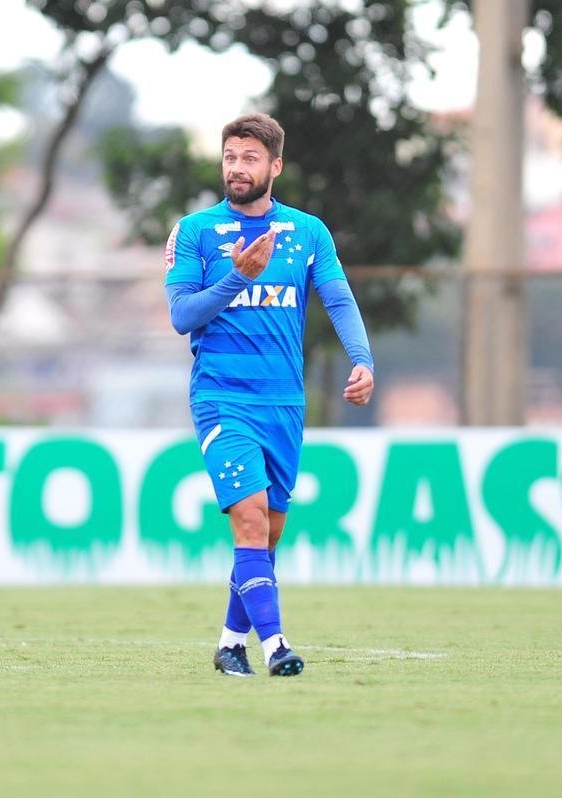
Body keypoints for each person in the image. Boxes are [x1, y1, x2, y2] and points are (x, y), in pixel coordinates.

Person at [164, 113, 375, 676]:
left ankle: (231, 644)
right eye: (230, 157)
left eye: (250, 158)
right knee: (251, 521)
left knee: (268, 533)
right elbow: (182, 315)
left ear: (275, 166)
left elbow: (338, 299)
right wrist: (238, 277)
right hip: (222, 397)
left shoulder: (308, 232)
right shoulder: (195, 231)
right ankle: (276, 647)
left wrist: (362, 359)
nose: (237, 167)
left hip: (283, 401)